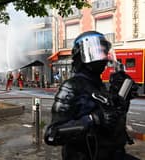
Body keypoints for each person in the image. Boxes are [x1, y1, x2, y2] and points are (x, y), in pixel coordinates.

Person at [44, 31, 139, 160]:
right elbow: (51, 135)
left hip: (111, 154)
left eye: (104, 52)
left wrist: (122, 97)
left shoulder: (99, 86)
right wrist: (92, 119)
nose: (102, 57)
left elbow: (113, 123)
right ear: (82, 56)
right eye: (96, 52)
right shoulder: (71, 86)